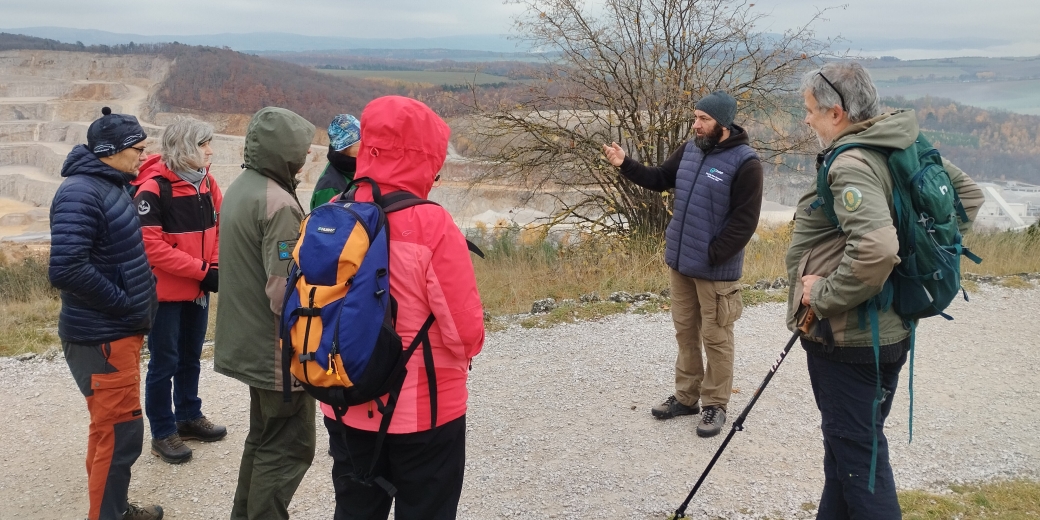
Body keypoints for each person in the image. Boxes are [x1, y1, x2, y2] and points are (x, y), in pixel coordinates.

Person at [788, 62, 984, 519]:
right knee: (847, 452)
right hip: (889, 330)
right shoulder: (901, 142)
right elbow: (967, 198)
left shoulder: (853, 160)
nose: (807, 119)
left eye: (810, 110)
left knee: (861, 463)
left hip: (849, 336)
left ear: (836, 113)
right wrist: (908, 262)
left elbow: (875, 249)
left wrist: (824, 294)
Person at [324, 95, 485, 520]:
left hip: (342, 399)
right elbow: (465, 333)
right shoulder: (432, 224)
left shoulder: (330, 212)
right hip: (424, 412)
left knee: (356, 510)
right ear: (425, 156)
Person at [602, 91, 763, 438]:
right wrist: (625, 163)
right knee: (685, 332)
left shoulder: (745, 162)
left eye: (703, 119)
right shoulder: (691, 150)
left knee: (716, 337)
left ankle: (715, 405)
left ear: (723, 123)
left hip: (715, 271)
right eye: (695, 118)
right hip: (681, 263)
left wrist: (713, 253)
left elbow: (745, 222)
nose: (696, 125)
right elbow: (660, 178)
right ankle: (686, 397)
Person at [48, 106, 163, 520]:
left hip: (114, 333)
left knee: (108, 431)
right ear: (111, 150)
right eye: (138, 148)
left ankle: (112, 508)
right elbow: (66, 268)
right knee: (120, 434)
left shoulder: (110, 184)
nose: (142, 154)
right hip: (102, 336)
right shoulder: (82, 192)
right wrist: (125, 303)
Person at [213, 107, 316, 520]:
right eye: (302, 150)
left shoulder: (243, 186)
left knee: (262, 438)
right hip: (274, 351)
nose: (307, 158)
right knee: (288, 446)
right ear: (283, 152)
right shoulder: (279, 204)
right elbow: (283, 292)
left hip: (246, 341)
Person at [131, 117, 226, 465]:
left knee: (190, 357)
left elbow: (218, 229)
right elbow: (151, 247)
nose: (210, 151)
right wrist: (203, 271)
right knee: (164, 363)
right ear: (184, 147)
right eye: (203, 145)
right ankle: (162, 431)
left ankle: (188, 416)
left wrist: (213, 268)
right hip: (165, 295)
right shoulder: (154, 188)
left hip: (198, 291)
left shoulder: (208, 184)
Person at [310, 113, 361, 210]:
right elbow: (325, 223)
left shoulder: (351, 170)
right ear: (345, 148)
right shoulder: (330, 187)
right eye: (361, 142)